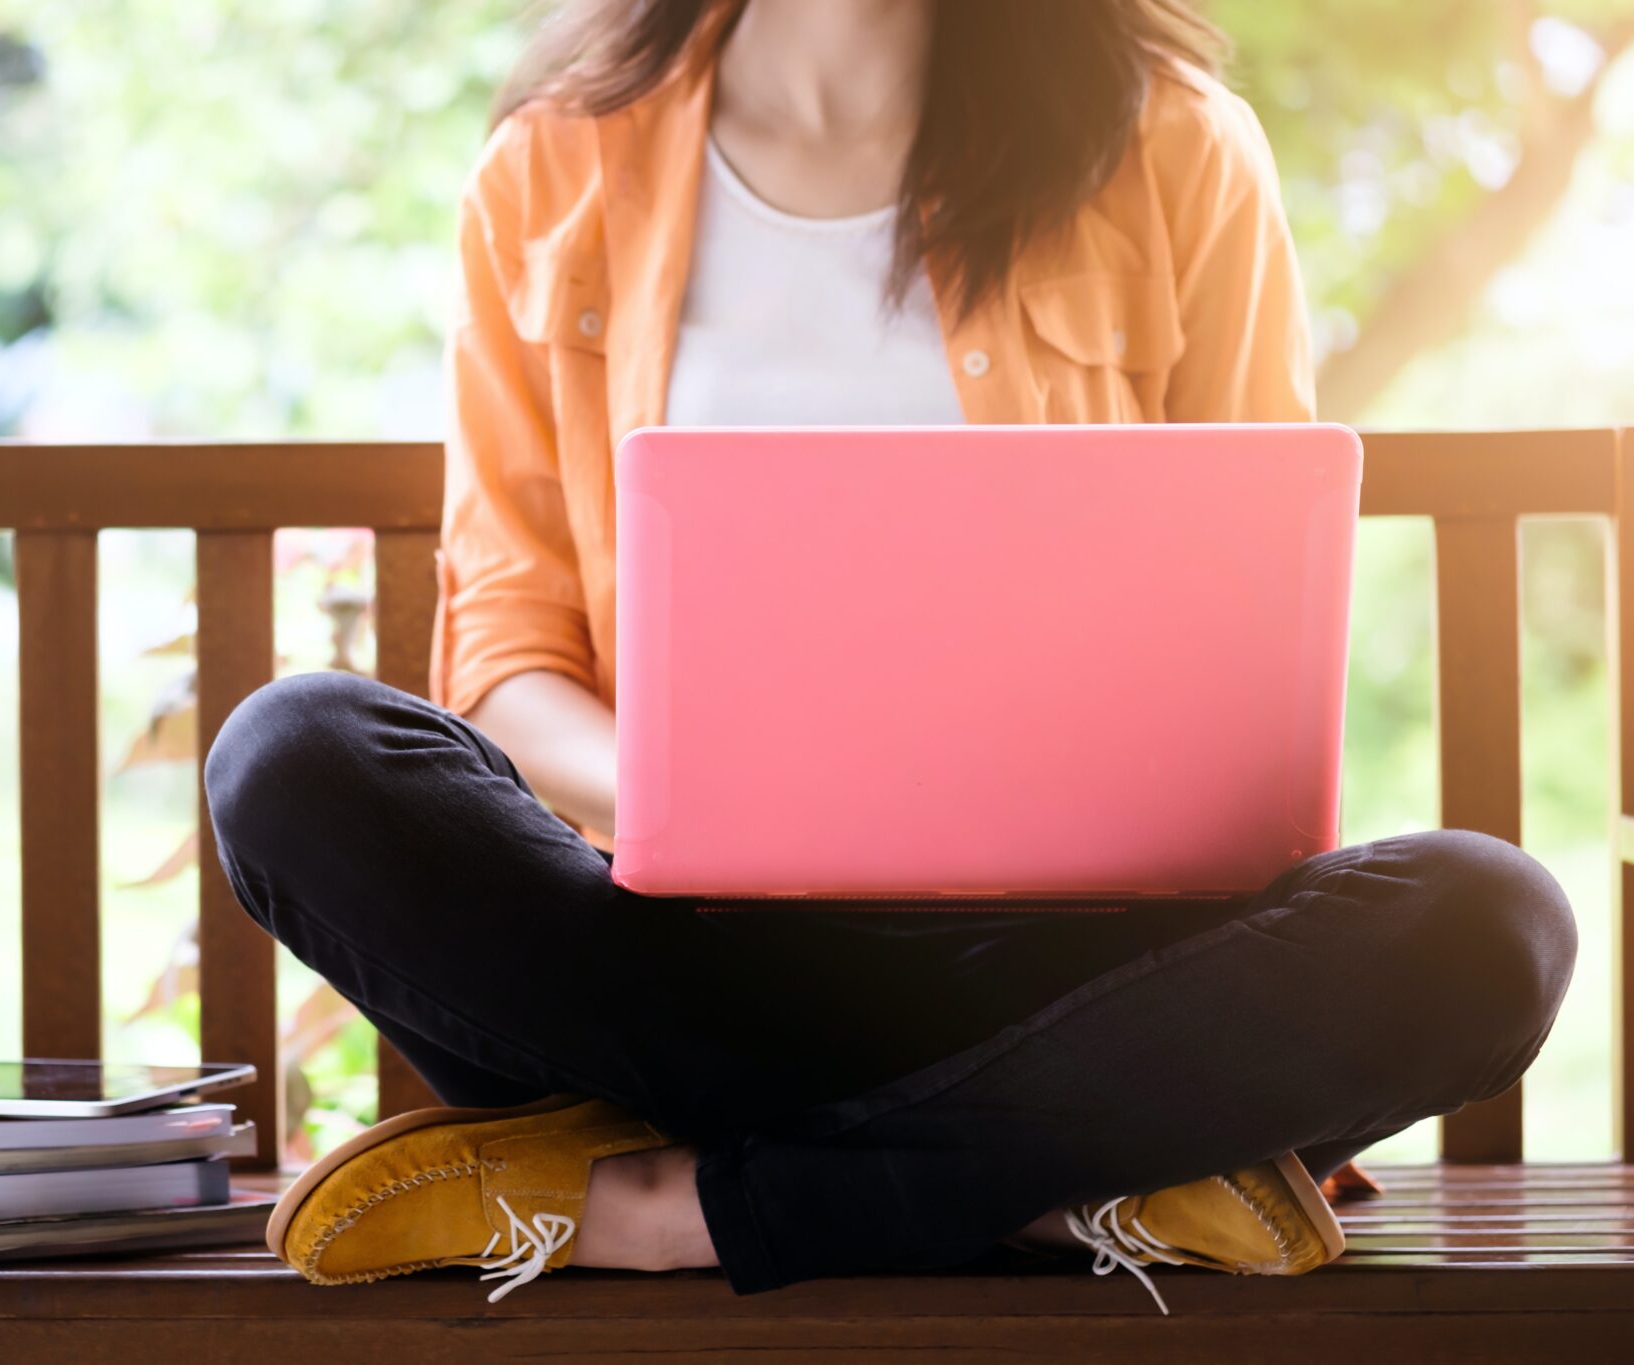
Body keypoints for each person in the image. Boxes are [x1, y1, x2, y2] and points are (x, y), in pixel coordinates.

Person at [206, 0, 1576, 1312]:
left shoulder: (1178, 144)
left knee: (1489, 922)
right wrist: (703, 797)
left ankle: (684, 1210)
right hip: (698, 970)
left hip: (1080, 966)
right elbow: (509, 653)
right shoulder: (552, 168)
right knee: (294, 758)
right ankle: (1075, 1182)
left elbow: (1251, 633)